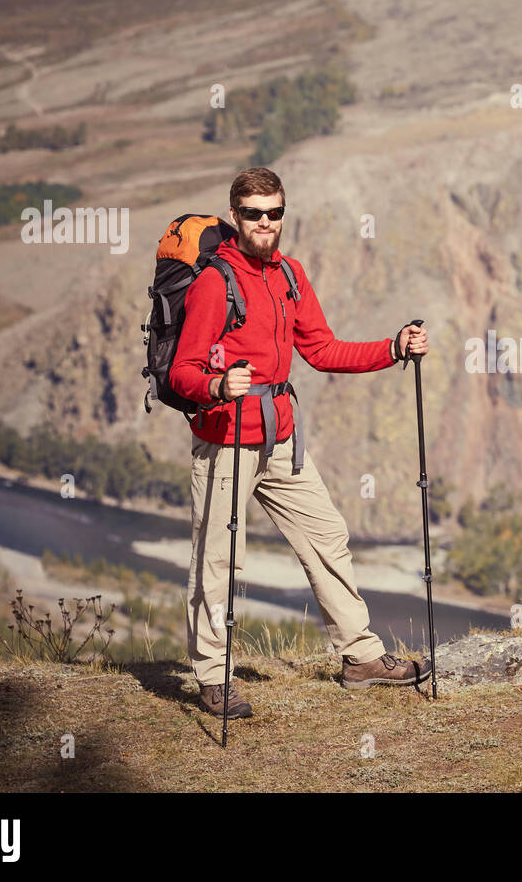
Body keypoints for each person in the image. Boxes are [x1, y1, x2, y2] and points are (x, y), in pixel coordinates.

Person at [169, 166, 431, 720]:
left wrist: (393, 347)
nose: (265, 222)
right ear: (235, 217)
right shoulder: (216, 283)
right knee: (217, 561)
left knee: (327, 536)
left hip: (282, 439)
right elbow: (180, 373)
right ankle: (214, 678)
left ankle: (359, 658)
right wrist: (217, 384)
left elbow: (324, 350)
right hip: (225, 442)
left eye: (275, 212)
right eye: (253, 213)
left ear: (284, 214)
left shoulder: (290, 274)